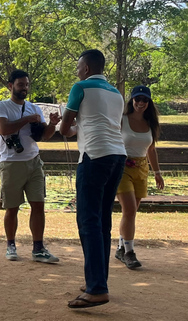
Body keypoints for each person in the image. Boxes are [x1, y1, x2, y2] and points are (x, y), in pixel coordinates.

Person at [59, 49, 127, 309]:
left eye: (78, 66)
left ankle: (97, 288)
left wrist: (62, 125)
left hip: (94, 156)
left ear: (86, 68)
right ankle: (98, 280)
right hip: (117, 155)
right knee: (103, 221)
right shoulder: (116, 93)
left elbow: (66, 129)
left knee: (88, 220)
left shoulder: (80, 87)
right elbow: (106, 124)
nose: (77, 71)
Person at [0, 70, 62, 263]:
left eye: (27, 85)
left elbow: (43, 137)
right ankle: (11, 245)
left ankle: (38, 248)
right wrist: (26, 119)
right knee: (12, 208)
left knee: (38, 205)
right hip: (11, 163)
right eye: (21, 84)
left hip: (34, 161)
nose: (24, 88)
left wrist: (52, 124)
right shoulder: (2, 106)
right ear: (10, 86)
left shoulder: (34, 108)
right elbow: (4, 129)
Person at [116, 85, 165, 269]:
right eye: (138, 99)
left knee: (131, 212)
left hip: (141, 168)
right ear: (132, 101)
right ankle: (129, 252)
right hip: (123, 168)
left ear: (149, 102)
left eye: (145, 100)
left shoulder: (151, 123)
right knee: (129, 210)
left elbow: (151, 149)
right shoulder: (122, 120)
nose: (141, 103)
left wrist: (157, 173)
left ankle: (121, 247)